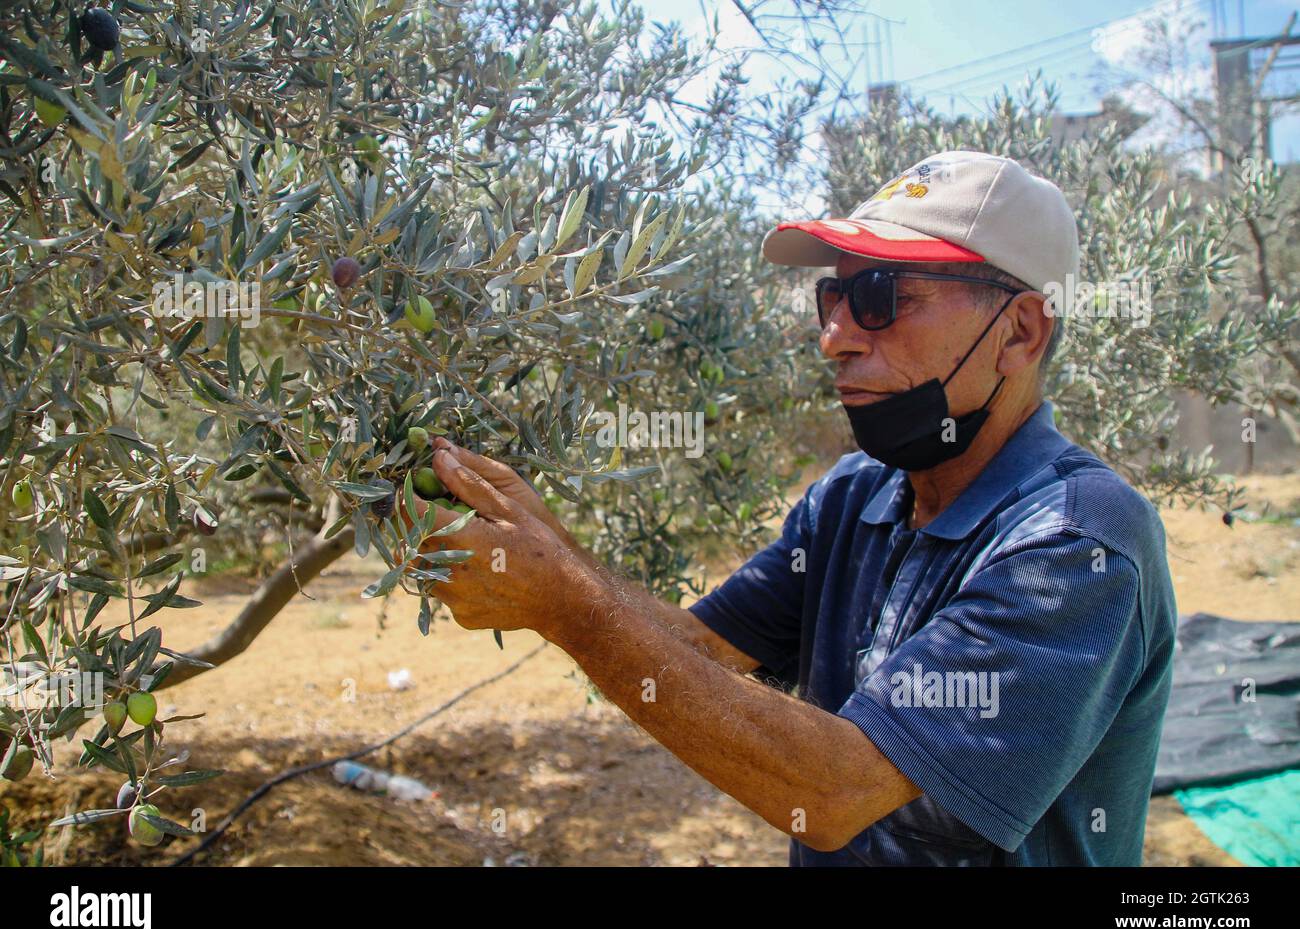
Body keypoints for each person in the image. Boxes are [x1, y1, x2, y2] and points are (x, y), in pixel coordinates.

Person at [409, 150, 1178, 866]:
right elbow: (702, 649)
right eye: (832, 297)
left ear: (1020, 332)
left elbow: (836, 790)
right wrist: (548, 545)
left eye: (882, 299)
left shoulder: (1080, 540)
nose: (834, 338)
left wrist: (568, 604)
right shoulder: (856, 495)